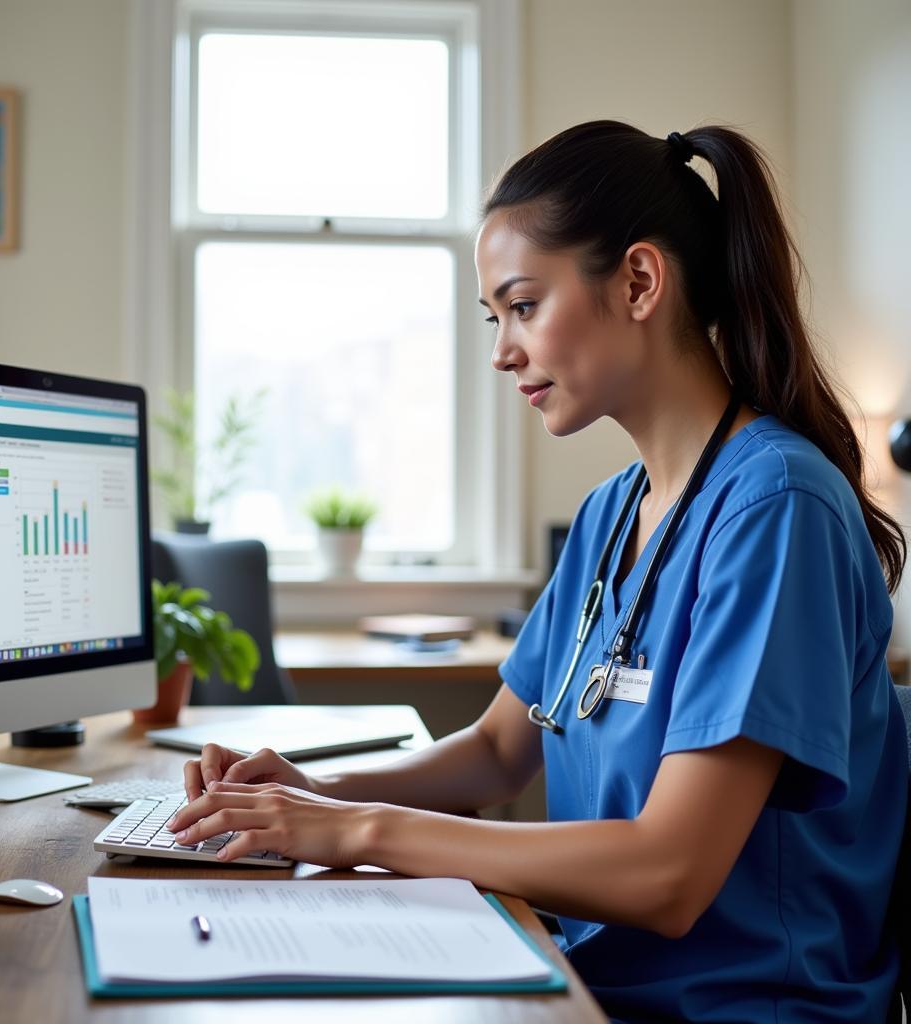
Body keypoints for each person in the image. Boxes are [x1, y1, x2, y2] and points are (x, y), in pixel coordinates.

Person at [166, 121, 908, 1022]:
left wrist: (355, 831)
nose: (502, 351)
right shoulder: (611, 514)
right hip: (585, 978)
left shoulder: (776, 509)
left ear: (639, 281)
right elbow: (495, 751)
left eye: (523, 306)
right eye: (495, 317)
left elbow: (671, 875)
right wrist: (312, 792)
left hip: (733, 1009)